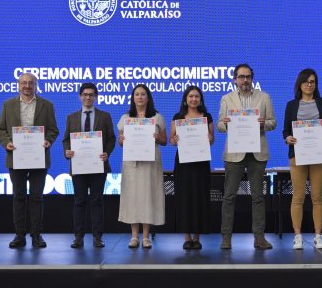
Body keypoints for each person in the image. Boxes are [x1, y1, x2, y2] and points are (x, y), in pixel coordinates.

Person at [0, 72, 59, 249]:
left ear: (36, 85)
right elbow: (0, 130)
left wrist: (48, 140)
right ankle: (19, 234)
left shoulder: (47, 105)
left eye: (31, 83)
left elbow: (53, 130)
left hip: (39, 157)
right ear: (18, 85)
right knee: (19, 197)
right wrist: (7, 143)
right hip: (16, 158)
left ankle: (36, 235)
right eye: (23, 82)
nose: (27, 86)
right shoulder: (8, 105)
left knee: (37, 197)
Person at [217, 63, 277, 250]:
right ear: (235, 79)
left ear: (252, 78)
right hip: (234, 153)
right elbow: (219, 125)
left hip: (257, 153)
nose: (245, 80)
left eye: (248, 77)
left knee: (258, 197)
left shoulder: (264, 97)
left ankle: (259, 238)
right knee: (229, 197)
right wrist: (226, 124)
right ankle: (226, 238)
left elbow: (273, 122)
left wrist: (263, 123)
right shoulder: (226, 98)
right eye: (241, 77)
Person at [283, 68, 322, 250]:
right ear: (300, 84)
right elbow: (285, 130)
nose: (309, 84)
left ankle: (318, 236)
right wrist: (288, 138)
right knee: (298, 196)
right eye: (306, 81)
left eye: (312, 81)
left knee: (317, 196)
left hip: (318, 155)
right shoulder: (291, 105)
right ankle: (298, 236)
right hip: (298, 155)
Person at [63, 82, 116, 249]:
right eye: (85, 94)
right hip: (78, 166)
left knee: (96, 202)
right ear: (80, 96)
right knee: (79, 201)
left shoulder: (105, 116)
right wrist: (67, 151)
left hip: (98, 166)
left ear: (96, 97)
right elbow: (66, 139)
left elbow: (111, 138)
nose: (88, 97)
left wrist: (107, 152)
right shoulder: (71, 117)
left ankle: (97, 237)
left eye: (91, 95)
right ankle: (78, 237)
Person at [117, 84, 167, 249]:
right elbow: (120, 142)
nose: (140, 97)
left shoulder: (157, 117)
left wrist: (157, 137)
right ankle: (134, 236)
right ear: (133, 98)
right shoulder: (126, 117)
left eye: (143, 94)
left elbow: (165, 141)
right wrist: (121, 140)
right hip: (132, 164)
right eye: (137, 94)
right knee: (132, 197)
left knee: (148, 197)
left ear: (148, 97)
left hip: (150, 163)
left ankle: (146, 237)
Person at [170, 85, 214, 250]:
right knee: (185, 198)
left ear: (200, 99)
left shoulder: (206, 117)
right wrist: (174, 140)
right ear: (185, 99)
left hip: (201, 162)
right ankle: (187, 237)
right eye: (190, 96)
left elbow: (212, 140)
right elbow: (171, 140)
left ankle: (197, 237)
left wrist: (209, 138)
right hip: (183, 163)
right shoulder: (178, 117)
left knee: (200, 197)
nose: (193, 99)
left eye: (196, 96)